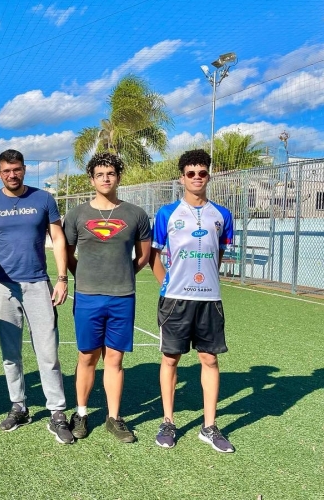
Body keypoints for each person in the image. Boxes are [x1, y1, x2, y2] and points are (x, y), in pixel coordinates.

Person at [0, 149, 74, 444]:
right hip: (3, 286)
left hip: (38, 284)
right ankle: (19, 406)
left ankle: (57, 412)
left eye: (16, 169)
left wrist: (61, 278)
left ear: (24, 169)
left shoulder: (43, 199)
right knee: (10, 354)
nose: (12, 175)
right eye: (6, 171)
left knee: (48, 353)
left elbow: (58, 238)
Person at [149, 149, 235, 453]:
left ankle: (209, 426)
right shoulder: (166, 213)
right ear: (181, 177)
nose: (197, 178)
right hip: (175, 300)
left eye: (202, 173)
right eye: (191, 173)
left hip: (209, 299)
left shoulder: (222, 215)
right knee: (171, 358)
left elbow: (219, 255)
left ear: (208, 176)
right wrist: (168, 285)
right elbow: (154, 256)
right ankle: (168, 421)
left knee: (210, 359)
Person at [62, 152, 152, 444]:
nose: (105, 179)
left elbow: (144, 256)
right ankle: (82, 413)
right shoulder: (77, 215)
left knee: (115, 358)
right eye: (99, 174)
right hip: (88, 296)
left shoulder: (135, 214)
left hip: (122, 297)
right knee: (87, 355)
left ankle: (114, 418)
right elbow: (67, 254)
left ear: (118, 177)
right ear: (91, 179)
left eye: (110, 174)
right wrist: (84, 276)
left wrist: (122, 274)